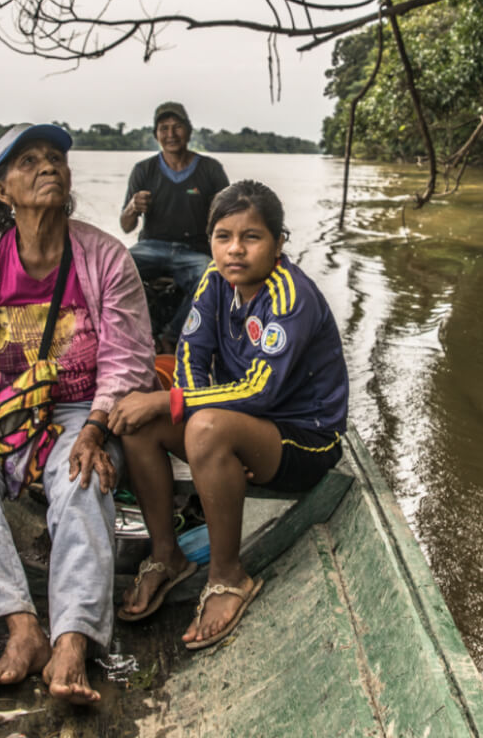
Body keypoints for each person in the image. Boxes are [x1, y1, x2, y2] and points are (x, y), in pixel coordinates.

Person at [0, 123, 154, 704]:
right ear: (2, 191)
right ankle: (21, 628)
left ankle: (72, 639)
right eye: (29, 161)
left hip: (81, 408)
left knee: (84, 479)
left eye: (55, 158)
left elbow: (127, 363)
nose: (48, 166)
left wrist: (98, 429)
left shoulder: (105, 259)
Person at [107, 180, 350, 650]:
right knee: (140, 425)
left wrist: (173, 403)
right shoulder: (215, 282)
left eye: (252, 237)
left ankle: (228, 575)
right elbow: (191, 358)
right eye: (222, 236)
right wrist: (183, 413)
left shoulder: (288, 296)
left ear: (278, 244)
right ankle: (166, 555)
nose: (235, 249)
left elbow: (260, 390)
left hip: (302, 437)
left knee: (198, 422)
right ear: (210, 240)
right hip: (239, 424)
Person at [120, 101, 230, 350]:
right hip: (151, 247)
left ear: (189, 131)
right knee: (114, 268)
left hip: (194, 250)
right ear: (156, 135)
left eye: (177, 127)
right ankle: (127, 335)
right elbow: (126, 226)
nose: (171, 134)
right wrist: (132, 207)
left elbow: (229, 220)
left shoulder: (210, 170)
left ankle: (173, 334)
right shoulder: (144, 170)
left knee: (211, 277)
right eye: (164, 128)